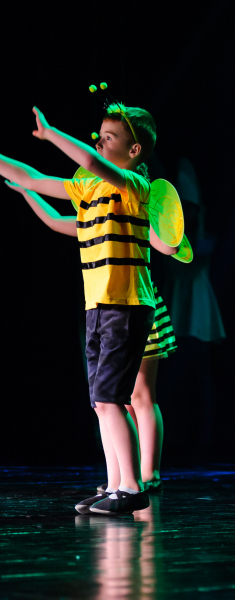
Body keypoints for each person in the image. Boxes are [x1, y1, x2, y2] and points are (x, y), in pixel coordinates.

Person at [0, 104, 159, 514]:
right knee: (101, 402)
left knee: (111, 399)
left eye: (109, 138)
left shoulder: (135, 187)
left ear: (134, 150)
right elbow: (32, 179)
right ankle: (116, 485)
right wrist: (25, 187)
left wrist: (51, 133)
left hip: (126, 306)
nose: (100, 143)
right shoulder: (89, 191)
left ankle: (133, 487)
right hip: (97, 308)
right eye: (100, 135)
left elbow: (89, 161)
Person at [6, 183, 176, 493]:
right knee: (117, 400)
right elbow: (56, 220)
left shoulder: (134, 213)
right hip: (108, 312)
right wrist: (28, 192)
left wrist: (166, 220)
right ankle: (124, 478)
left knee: (141, 396)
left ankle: (148, 473)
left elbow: (168, 245)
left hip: (135, 305)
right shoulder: (95, 221)